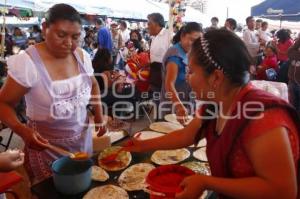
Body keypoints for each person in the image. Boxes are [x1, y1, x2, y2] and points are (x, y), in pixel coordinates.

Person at [125, 29, 299, 199]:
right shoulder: (217, 105)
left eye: (191, 71)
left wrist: (207, 182)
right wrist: (143, 145)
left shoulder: (261, 116)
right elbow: (186, 135)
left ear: (216, 77)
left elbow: (282, 191)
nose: (187, 77)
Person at [0, 4, 106, 185]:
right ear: (44, 28)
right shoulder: (28, 63)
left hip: (82, 139)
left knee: (82, 183)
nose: (69, 43)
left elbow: (94, 85)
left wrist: (98, 114)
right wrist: (22, 130)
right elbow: (3, 104)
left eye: (75, 37)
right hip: (46, 146)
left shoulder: (81, 56)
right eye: (61, 35)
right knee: (54, 188)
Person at [160, 22, 202, 123]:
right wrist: (178, 106)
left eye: (197, 41)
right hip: (173, 102)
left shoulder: (190, 51)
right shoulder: (174, 54)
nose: (194, 44)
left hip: (187, 99)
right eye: (191, 39)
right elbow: (169, 84)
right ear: (182, 36)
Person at [147, 13, 171, 94]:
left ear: (156, 24)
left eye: (149, 23)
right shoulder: (153, 37)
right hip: (155, 76)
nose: (147, 26)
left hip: (165, 76)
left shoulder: (169, 36)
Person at [288, 38, 300, 116]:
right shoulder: (294, 54)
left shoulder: (295, 54)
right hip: (292, 82)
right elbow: (290, 50)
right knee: (292, 103)